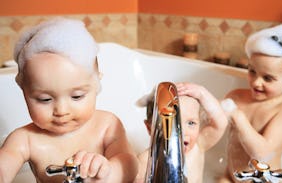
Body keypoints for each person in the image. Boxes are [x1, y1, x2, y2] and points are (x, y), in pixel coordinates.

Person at [0, 18, 138, 183]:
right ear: (24, 91)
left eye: (77, 96)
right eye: (44, 99)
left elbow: (129, 164)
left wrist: (107, 174)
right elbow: (4, 166)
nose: (61, 110)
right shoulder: (24, 139)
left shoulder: (107, 125)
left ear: (96, 84)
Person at [177, 24, 282, 182]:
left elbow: (264, 155)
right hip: (231, 176)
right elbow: (208, 119)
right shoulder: (236, 97)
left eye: (268, 78)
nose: (256, 82)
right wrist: (201, 96)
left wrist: (238, 117)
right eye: (252, 71)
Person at [134, 88, 228, 183]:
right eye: (171, 123)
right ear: (150, 128)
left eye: (191, 123)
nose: (182, 132)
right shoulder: (145, 162)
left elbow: (221, 123)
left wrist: (201, 94)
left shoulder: (198, 146)